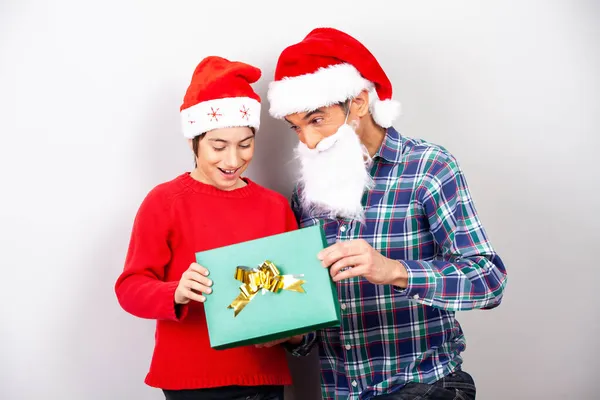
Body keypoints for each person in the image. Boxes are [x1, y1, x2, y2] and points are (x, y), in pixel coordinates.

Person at [266, 28, 508, 400]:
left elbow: (489, 282)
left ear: (359, 102)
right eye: (297, 128)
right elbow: (313, 320)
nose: (308, 142)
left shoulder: (428, 167)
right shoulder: (306, 192)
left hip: (424, 384)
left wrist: (394, 271)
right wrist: (289, 331)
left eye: (317, 120)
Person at [114, 56, 302, 400]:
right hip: (191, 381)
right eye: (218, 146)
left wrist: (290, 332)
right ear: (192, 141)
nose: (233, 161)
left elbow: (295, 292)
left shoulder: (275, 207)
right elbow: (130, 287)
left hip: (263, 377)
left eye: (245, 145)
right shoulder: (165, 201)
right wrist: (175, 292)